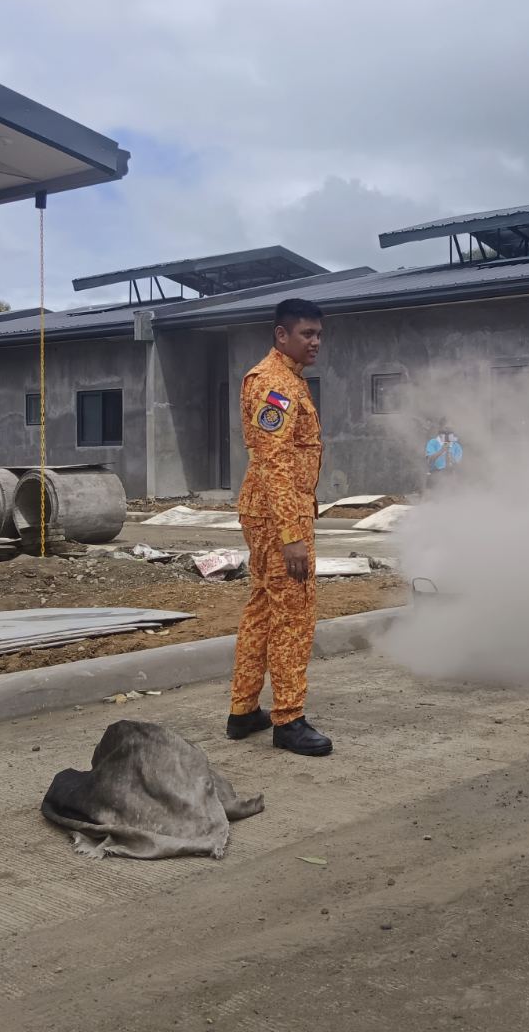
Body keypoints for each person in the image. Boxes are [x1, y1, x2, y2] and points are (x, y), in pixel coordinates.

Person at [226, 297, 333, 756]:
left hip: (268, 510)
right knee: (292, 615)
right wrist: (293, 536)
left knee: (262, 611)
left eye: (319, 335)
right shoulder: (276, 384)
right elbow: (274, 461)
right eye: (306, 334)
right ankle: (288, 720)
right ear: (281, 335)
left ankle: (243, 710)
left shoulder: (286, 380)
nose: (315, 343)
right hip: (278, 515)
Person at [424, 426, 463, 490]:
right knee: (430, 496)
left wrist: (449, 453)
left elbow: (457, 464)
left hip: (450, 475)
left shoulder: (457, 446)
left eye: (449, 434)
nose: (447, 438)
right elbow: (429, 460)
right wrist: (442, 450)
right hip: (434, 474)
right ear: (439, 435)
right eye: (445, 434)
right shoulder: (433, 442)